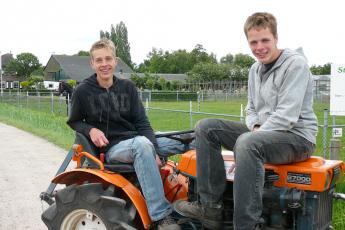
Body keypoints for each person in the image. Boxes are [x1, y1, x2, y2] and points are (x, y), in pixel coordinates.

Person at [173, 12, 318, 230]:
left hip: (297, 138)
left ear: (276, 38)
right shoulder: (254, 69)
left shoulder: (295, 65)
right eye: (253, 42)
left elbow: (287, 116)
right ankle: (210, 208)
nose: (259, 47)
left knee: (247, 143)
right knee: (206, 127)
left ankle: (246, 224)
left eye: (265, 40)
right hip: (263, 134)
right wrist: (256, 127)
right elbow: (250, 109)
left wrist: (254, 134)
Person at [67, 38, 180, 230]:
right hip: (113, 148)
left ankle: (203, 205)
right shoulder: (82, 91)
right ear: (92, 63)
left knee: (191, 137)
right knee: (142, 146)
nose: (104, 64)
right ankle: (161, 217)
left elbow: (142, 123)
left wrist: (157, 153)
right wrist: (91, 129)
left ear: (115, 61)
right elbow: (74, 121)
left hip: (139, 140)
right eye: (99, 60)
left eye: (108, 59)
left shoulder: (128, 88)